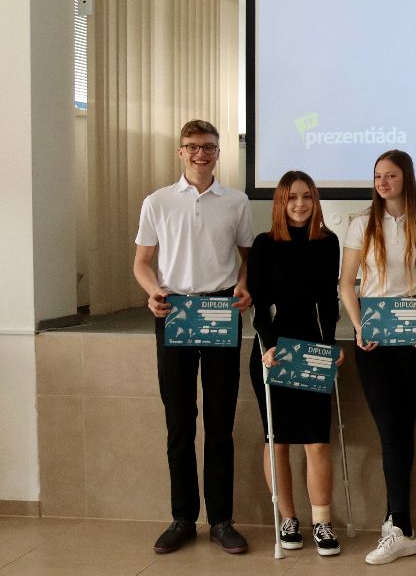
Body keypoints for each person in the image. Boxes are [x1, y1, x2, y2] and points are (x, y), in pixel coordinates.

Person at [133, 120, 253, 555]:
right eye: (193, 147)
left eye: (209, 147)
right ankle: (183, 518)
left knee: (220, 422)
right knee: (179, 421)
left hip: (220, 311)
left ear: (219, 153)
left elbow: (247, 258)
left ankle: (221, 520)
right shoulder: (157, 201)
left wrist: (244, 286)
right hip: (175, 311)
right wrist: (153, 292)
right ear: (181, 152)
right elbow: (142, 262)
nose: (201, 153)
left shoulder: (237, 201)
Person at [339, 149, 416, 566]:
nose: (383, 182)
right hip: (373, 341)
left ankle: (398, 524)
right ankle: (400, 525)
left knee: (402, 426)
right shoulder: (360, 224)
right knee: (390, 428)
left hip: (414, 341)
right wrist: (359, 326)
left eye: (391, 175)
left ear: (407, 179)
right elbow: (346, 284)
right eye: (378, 176)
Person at [247, 170, 343, 556]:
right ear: (281, 202)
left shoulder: (328, 242)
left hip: (312, 349)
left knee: (317, 440)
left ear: (315, 200)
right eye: (292, 197)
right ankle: (288, 519)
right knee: (278, 440)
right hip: (274, 350)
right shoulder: (264, 244)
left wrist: (331, 345)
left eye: (306, 196)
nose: (300, 204)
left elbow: (328, 302)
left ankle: (322, 523)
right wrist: (270, 346)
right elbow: (259, 306)